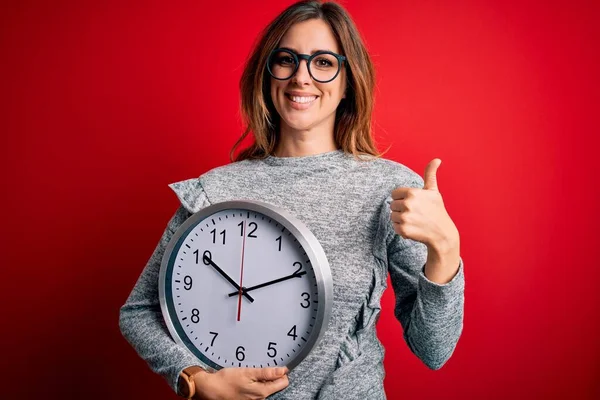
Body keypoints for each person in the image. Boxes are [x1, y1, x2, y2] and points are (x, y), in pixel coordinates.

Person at [119, 1, 465, 399]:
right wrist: (196, 380)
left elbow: (434, 350)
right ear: (268, 75)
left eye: (322, 62)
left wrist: (446, 251)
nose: (302, 78)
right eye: (287, 60)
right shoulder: (213, 191)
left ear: (348, 80)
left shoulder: (389, 188)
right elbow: (139, 312)